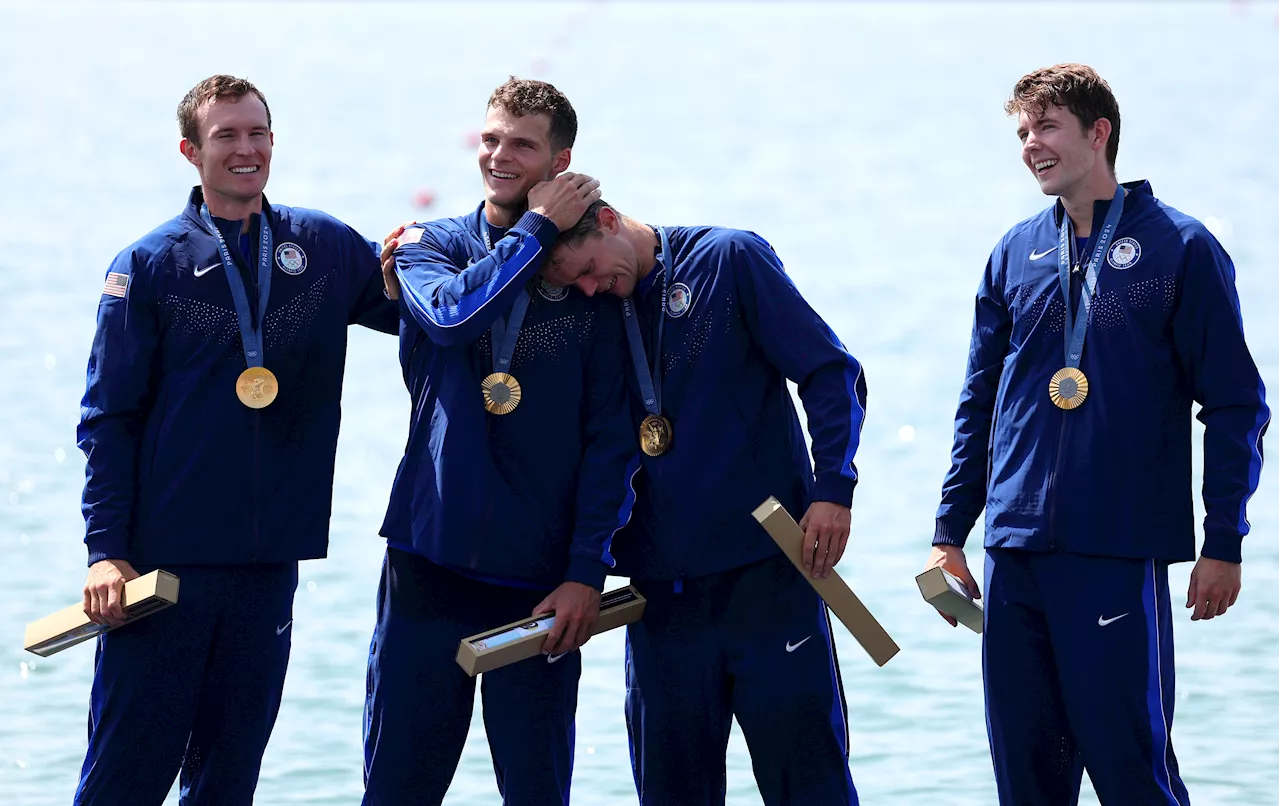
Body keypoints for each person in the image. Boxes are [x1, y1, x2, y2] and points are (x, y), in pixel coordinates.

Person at [922, 63, 1269, 805]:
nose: (1030, 146)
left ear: (1098, 132)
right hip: (1014, 552)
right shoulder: (1015, 252)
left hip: (1115, 547)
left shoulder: (1181, 247)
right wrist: (949, 530)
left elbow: (1237, 406)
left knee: (1130, 776)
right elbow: (977, 402)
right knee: (1027, 784)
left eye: (1046, 128)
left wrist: (1224, 542)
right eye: (1022, 132)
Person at [75, 75, 398, 804]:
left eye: (257, 134)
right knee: (125, 779)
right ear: (191, 151)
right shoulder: (147, 267)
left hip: (267, 564)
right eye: (226, 136)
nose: (245, 150)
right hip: (163, 571)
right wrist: (106, 551)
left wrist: (490, 248)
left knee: (229, 783)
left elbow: (430, 316)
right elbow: (108, 418)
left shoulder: (321, 247)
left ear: (274, 143)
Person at [364, 78, 636, 806]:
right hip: (430, 567)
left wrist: (586, 571)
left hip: (539, 587)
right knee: (396, 791)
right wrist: (536, 230)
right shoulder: (428, 247)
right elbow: (453, 319)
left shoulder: (589, 282)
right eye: (490, 139)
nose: (499, 155)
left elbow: (613, 440)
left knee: (539, 793)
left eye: (521, 143)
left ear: (561, 160)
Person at [540, 200, 867, 805]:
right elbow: (603, 454)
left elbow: (830, 372)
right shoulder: (598, 311)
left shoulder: (730, 258)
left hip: (768, 582)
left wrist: (833, 492)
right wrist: (585, 568)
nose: (590, 290)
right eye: (575, 284)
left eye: (588, 270)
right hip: (665, 604)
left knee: (812, 788)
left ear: (608, 219)